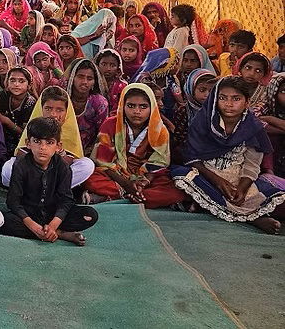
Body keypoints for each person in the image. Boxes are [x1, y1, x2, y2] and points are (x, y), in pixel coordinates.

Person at [171, 77, 285, 233]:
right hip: (206, 174)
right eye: (223, 98)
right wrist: (217, 181)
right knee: (182, 181)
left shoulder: (253, 127)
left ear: (247, 102)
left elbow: (252, 165)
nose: (229, 104)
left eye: (236, 99)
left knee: (261, 197)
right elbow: (192, 158)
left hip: (237, 177)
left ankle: (219, 208)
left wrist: (242, 189)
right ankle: (255, 219)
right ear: (215, 99)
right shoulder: (203, 121)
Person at [0, 117, 98, 245]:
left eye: (49, 142)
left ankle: (50, 231)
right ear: (28, 143)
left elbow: (66, 200)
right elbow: (13, 201)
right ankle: (60, 234)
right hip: (29, 214)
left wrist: (53, 224)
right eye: (37, 141)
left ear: (58, 146)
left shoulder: (62, 166)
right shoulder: (21, 165)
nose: (43, 147)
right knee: (4, 221)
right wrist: (33, 226)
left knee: (90, 215)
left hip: (53, 213)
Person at [83, 83, 184, 208]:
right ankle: (139, 197)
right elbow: (103, 161)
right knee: (90, 178)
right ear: (122, 105)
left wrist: (143, 183)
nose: (137, 111)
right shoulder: (110, 124)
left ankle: (122, 196)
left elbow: (159, 163)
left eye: (143, 106)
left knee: (174, 187)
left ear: (152, 107)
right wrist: (126, 184)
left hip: (145, 177)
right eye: (131, 106)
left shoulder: (160, 129)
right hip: (115, 174)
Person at [3, 86, 94, 189]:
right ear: (41, 109)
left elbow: (68, 161)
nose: (53, 114)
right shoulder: (35, 125)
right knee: (8, 168)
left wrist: (57, 155)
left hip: (55, 175)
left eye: (59, 110)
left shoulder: (68, 129)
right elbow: (21, 154)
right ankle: (40, 189)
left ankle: (47, 189)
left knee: (87, 165)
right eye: (48, 109)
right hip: (32, 173)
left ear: (66, 112)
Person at [66, 58, 109, 155]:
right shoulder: (62, 99)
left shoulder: (99, 103)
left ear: (94, 82)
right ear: (72, 78)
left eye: (89, 79)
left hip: (88, 152)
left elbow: (102, 133)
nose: (85, 82)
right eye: (80, 77)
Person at [0, 67, 37, 156]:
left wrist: (7, 122)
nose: (16, 84)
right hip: (2, 139)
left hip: (22, 144)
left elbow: (25, 133)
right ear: (7, 83)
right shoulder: (4, 96)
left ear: (29, 85)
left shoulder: (31, 103)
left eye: (21, 81)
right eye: (12, 80)